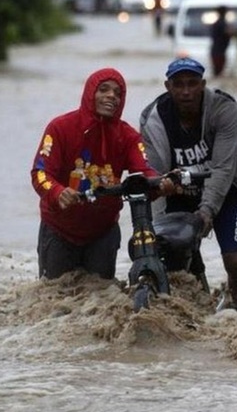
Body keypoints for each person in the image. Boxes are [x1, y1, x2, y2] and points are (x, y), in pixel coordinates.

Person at [139, 57, 237, 311]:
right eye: (179, 84)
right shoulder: (153, 119)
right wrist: (158, 230)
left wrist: (207, 210)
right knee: (174, 256)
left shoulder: (224, 108)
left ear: (203, 85)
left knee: (234, 260)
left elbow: (223, 167)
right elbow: (156, 176)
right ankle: (188, 312)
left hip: (228, 188)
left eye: (192, 83)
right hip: (179, 191)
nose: (186, 91)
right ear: (168, 87)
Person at [31, 67, 174, 280]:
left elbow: (143, 171)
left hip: (103, 233)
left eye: (118, 93)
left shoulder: (128, 136)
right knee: (54, 295)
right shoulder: (60, 128)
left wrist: (161, 184)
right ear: (90, 93)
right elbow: (40, 172)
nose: (111, 96)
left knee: (102, 295)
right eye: (104, 89)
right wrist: (58, 192)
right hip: (58, 229)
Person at [210, 5, 231, 77]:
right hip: (218, 51)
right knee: (218, 71)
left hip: (219, 50)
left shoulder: (220, 22)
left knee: (218, 70)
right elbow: (227, 32)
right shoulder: (220, 23)